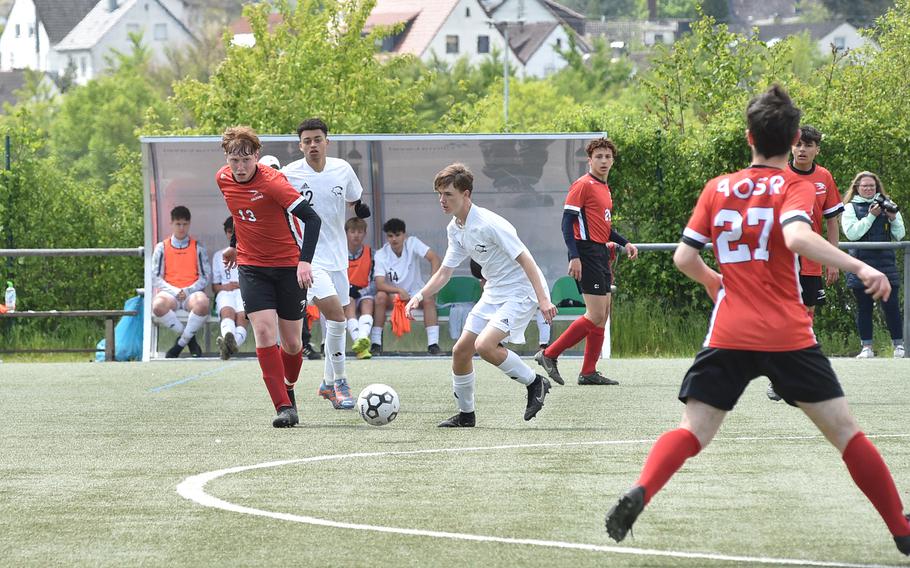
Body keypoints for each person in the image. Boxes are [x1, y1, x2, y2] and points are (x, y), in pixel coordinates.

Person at [604, 85, 910, 557]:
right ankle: (901, 528)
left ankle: (643, 488)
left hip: (729, 330)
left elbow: (684, 257)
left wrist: (714, 282)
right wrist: (860, 265)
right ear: (793, 143)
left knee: (693, 430)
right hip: (788, 332)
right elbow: (796, 237)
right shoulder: (798, 184)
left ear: (749, 136)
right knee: (846, 433)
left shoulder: (717, 187)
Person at [405, 163, 557, 427]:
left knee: (485, 346)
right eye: (439, 194)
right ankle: (466, 415)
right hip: (495, 289)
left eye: (448, 194)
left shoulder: (489, 223)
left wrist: (543, 300)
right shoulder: (455, 228)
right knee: (460, 351)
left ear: (466, 194)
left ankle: (535, 383)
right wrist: (419, 295)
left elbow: (527, 260)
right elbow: (444, 273)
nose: (442, 200)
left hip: (521, 291)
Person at [216, 126, 321, 428]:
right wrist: (235, 247)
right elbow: (240, 213)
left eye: (246, 160)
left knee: (292, 343)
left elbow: (313, 220)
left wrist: (304, 262)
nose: (239, 167)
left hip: (288, 267)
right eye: (234, 160)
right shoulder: (222, 178)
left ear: (257, 157)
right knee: (263, 332)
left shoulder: (274, 183)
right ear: (227, 158)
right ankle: (284, 407)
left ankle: (288, 385)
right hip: (252, 267)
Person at [281, 117, 371, 410]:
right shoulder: (289, 174)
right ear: (300, 146)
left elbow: (354, 200)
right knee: (336, 316)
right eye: (307, 141)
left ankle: (326, 384)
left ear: (326, 142)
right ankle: (341, 383)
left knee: (336, 320)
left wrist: (360, 208)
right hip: (308, 259)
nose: (313, 145)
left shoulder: (342, 168)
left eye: (317, 139)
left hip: (338, 257)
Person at [535, 138, 638, 386]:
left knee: (603, 315)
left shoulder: (604, 187)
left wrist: (625, 243)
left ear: (613, 160)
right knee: (594, 314)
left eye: (607, 157)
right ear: (589, 160)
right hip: (586, 252)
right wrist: (574, 256)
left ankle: (589, 372)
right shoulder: (582, 185)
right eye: (598, 156)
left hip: (600, 253)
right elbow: (566, 224)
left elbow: (603, 227)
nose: (603, 161)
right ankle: (548, 354)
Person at [768, 125, 844, 401]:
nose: (802, 149)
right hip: (781, 258)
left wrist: (832, 259)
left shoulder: (824, 177)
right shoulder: (777, 174)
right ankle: (779, 379)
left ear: (817, 149)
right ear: (791, 147)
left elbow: (832, 221)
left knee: (806, 315)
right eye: (798, 144)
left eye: (808, 145)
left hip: (811, 259)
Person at [259, 154, 321, 360]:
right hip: (265, 264)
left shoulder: (288, 193)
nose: (274, 173)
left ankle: (306, 344)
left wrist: (305, 259)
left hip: (297, 260)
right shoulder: (258, 199)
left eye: (276, 168)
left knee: (300, 310)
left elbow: (312, 220)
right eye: (269, 169)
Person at [842, 171, 905, 359]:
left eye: (872, 186)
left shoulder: (887, 204)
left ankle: (899, 347)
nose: (869, 189)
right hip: (861, 266)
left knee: (891, 306)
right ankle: (867, 348)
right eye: (865, 186)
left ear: (877, 188)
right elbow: (852, 234)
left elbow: (900, 234)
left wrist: (892, 217)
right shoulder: (850, 208)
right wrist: (871, 217)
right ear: (857, 188)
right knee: (864, 307)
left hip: (886, 266)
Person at [372, 218, 443, 355]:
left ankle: (433, 345)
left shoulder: (413, 243)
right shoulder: (381, 254)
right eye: (390, 236)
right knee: (380, 297)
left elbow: (434, 258)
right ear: (387, 237)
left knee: (428, 298)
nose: (394, 239)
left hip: (416, 294)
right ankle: (376, 344)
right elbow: (379, 284)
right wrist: (398, 290)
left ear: (404, 235)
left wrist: (431, 286)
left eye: (397, 235)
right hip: (394, 297)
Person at [151, 205, 211, 359]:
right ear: (171, 224)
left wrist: (188, 290)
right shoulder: (161, 247)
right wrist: (175, 291)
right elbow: (155, 277)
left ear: (189, 224)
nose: (182, 228)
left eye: (185, 224)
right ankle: (189, 340)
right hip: (170, 293)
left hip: (191, 293)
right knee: (157, 306)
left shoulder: (198, 247)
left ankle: (180, 344)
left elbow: (206, 276)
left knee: (203, 304)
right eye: (178, 224)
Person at [471, 259, 550, 349]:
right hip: (513, 293)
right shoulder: (489, 268)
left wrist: (543, 300)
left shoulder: (511, 264)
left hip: (528, 290)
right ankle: (498, 344)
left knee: (543, 313)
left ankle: (544, 347)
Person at [212, 216, 248, 360]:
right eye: (229, 232)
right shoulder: (218, 255)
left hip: (245, 291)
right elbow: (214, 287)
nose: (232, 235)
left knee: (242, 317)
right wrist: (226, 286)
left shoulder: (249, 253)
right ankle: (230, 344)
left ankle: (227, 347)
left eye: (235, 232)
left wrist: (242, 285)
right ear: (226, 233)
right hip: (225, 292)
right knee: (227, 312)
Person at [345, 217, 376, 359]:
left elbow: (376, 281)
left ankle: (361, 338)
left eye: (360, 231)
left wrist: (361, 292)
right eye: (352, 231)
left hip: (365, 292)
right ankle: (360, 342)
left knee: (368, 303)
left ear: (364, 233)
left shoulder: (371, 253)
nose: (356, 235)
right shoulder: (339, 253)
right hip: (347, 294)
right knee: (349, 303)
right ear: (346, 233)